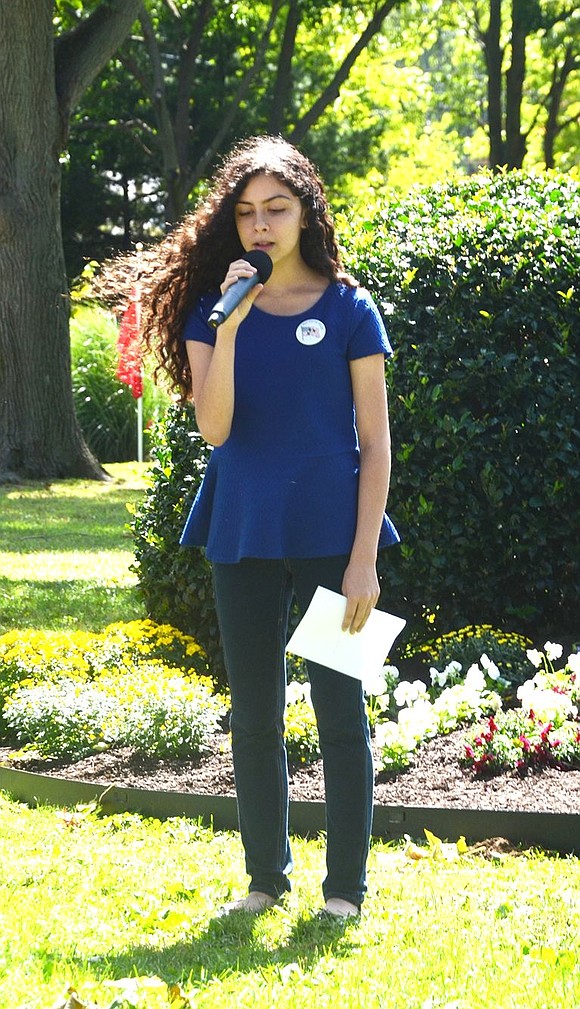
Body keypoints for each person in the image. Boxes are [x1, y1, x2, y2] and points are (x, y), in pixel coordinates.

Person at [141, 135, 400, 918]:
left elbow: (376, 440)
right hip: (244, 529)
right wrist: (227, 324)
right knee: (254, 711)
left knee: (340, 709)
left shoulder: (352, 308)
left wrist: (364, 561)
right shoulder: (212, 311)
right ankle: (265, 879)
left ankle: (345, 890)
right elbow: (216, 431)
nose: (261, 225)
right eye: (247, 212)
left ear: (305, 213)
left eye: (276, 209)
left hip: (335, 536)